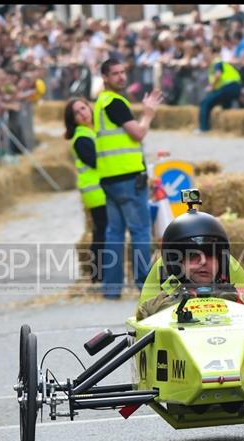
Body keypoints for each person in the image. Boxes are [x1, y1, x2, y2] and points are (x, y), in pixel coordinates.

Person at [94, 58, 163, 299]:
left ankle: (111, 289)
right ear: (105, 77)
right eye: (115, 74)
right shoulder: (115, 103)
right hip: (128, 178)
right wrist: (148, 114)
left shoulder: (100, 103)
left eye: (123, 72)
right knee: (141, 231)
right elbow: (138, 133)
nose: (121, 77)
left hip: (109, 178)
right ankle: (145, 286)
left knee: (114, 233)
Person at [136, 192, 244, 321]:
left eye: (210, 254)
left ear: (221, 261)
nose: (203, 261)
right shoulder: (154, 307)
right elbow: (141, 327)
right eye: (192, 255)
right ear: (177, 263)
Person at [64, 98, 107, 284]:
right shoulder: (81, 138)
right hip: (95, 191)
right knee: (101, 233)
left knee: (102, 231)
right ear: (73, 119)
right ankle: (98, 275)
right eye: (77, 112)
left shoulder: (93, 131)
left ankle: (99, 274)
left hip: (100, 188)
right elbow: (97, 161)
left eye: (83, 108)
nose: (83, 113)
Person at [198, 47, 242, 131]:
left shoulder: (216, 62)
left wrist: (211, 86)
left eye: (206, 54)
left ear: (212, 54)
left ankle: (203, 128)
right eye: (204, 55)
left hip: (228, 87)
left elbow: (218, 74)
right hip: (234, 87)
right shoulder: (215, 64)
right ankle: (227, 129)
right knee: (225, 106)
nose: (205, 57)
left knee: (205, 103)